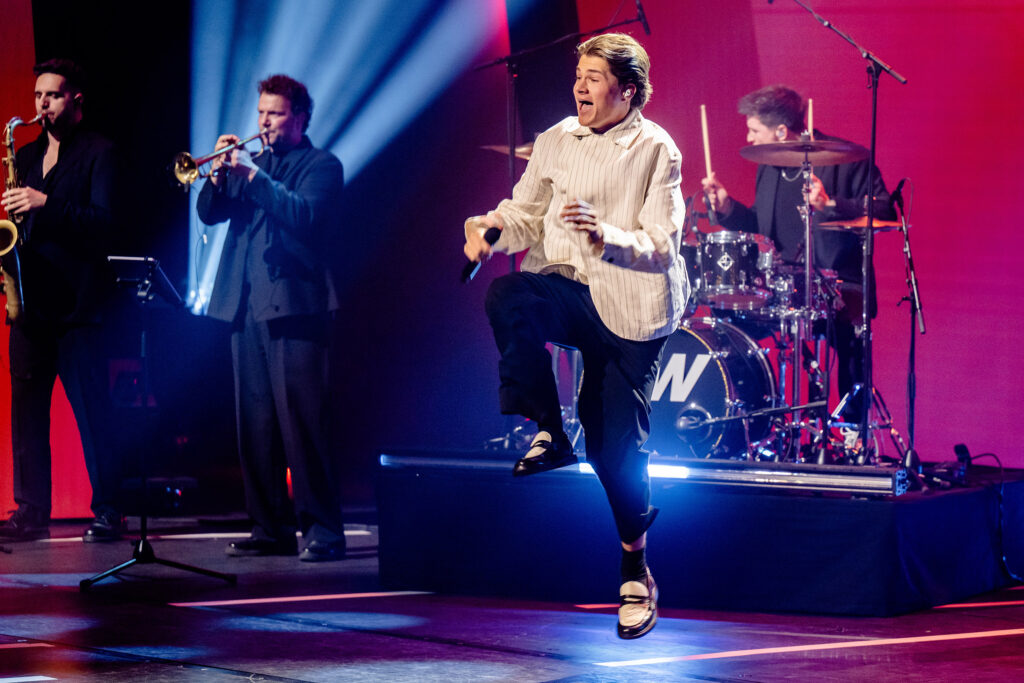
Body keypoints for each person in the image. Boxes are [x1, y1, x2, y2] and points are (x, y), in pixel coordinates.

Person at [463, 34, 689, 639]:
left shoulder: (656, 149)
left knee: (613, 449)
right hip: (568, 286)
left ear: (628, 91)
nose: (580, 87)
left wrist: (603, 236)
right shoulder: (557, 139)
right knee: (510, 295)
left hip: (633, 302)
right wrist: (489, 231)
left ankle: (635, 567)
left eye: (594, 77)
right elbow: (524, 214)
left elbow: (661, 244)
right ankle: (548, 429)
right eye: (579, 75)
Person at [197, 74, 346, 562]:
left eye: (275, 114)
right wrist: (218, 175)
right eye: (261, 112)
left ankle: (324, 530)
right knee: (255, 425)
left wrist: (253, 178)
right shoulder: (251, 165)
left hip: (296, 308)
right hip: (245, 308)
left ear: (299, 118)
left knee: (303, 424)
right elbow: (209, 214)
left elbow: (304, 217)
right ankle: (269, 528)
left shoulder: (322, 165)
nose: (263, 122)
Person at [700, 84, 895, 426]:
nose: (749, 138)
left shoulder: (848, 160)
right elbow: (760, 226)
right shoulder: (770, 166)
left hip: (837, 285)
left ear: (781, 131)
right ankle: (750, 423)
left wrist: (830, 204)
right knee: (730, 328)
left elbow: (886, 209)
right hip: (783, 285)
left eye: (754, 130)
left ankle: (851, 432)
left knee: (851, 355)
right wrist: (728, 208)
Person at [0, 58, 122, 542]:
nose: (41, 104)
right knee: (27, 413)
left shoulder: (100, 152)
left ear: (76, 100)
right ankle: (30, 510)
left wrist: (46, 203)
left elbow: (104, 222)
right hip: (32, 303)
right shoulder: (28, 156)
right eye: (38, 96)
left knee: (92, 411)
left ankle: (109, 509)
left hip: (78, 305)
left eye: (51, 95)